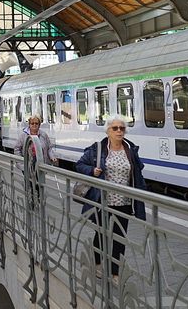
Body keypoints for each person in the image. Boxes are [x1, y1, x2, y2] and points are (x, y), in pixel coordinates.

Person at [75, 115, 146, 283]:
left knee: (120, 238)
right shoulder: (97, 149)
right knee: (102, 234)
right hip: (103, 201)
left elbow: (138, 172)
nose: (119, 131)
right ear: (108, 131)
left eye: (122, 128)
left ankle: (115, 273)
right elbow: (80, 165)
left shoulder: (130, 150)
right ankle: (97, 263)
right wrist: (92, 171)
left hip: (124, 202)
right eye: (115, 128)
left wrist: (141, 194)